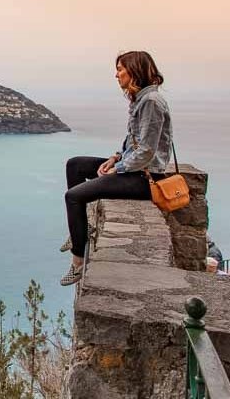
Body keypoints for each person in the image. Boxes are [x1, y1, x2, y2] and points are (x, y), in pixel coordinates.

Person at [59, 51, 175, 286]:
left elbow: (147, 151)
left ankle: (78, 261)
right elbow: (133, 140)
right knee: (75, 165)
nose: (117, 74)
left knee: (73, 197)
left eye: (121, 69)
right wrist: (115, 158)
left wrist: (118, 169)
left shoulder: (151, 102)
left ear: (134, 71)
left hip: (145, 177)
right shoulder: (141, 99)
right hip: (132, 168)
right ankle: (81, 227)